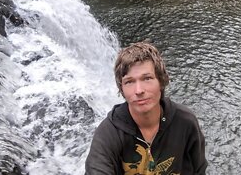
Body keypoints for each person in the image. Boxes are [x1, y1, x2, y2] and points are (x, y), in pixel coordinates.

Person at [85, 42, 208, 174]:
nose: (139, 90)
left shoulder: (185, 122)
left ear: (161, 81)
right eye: (129, 82)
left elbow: (199, 169)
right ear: (122, 89)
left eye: (147, 78)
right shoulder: (108, 134)